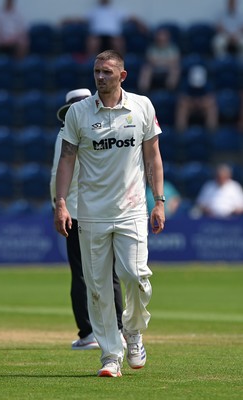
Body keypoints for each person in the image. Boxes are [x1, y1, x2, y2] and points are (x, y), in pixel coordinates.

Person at [54, 49, 165, 378]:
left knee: (136, 277)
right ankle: (110, 355)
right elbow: (67, 159)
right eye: (97, 71)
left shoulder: (142, 106)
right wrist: (61, 202)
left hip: (131, 208)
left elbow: (153, 156)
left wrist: (159, 200)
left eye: (107, 72)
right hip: (91, 213)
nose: (100, 77)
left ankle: (133, 332)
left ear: (122, 75)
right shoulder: (78, 113)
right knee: (99, 287)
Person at [50, 88, 126, 350]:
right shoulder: (100, 129)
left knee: (82, 274)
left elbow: (55, 178)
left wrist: (57, 205)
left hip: (77, 212)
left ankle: (89, 333)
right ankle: (117, 330)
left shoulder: (65, 135)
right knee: (109, 273)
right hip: (102, 210)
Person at [175, 63, 218, 132]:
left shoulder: (208, 84)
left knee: (211, 107)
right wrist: (192, 102)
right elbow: (182, 98)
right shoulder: (185, 84)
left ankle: (211, 132)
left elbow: (211, 98)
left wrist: (201, 102)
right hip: (190, 106)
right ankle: (181, 133)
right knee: (182, 108)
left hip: (203, 106)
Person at [137, 28, 181, 94]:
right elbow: (151, 60)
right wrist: (165, 61)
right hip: (154, 68)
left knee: (175, 69)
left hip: (168, 68)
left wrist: (160, 61)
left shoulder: (172, 48)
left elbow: (174, 61)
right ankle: (143, 91)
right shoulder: (152, 48)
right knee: (146, 69)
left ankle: (170, 90)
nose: (161, 39)